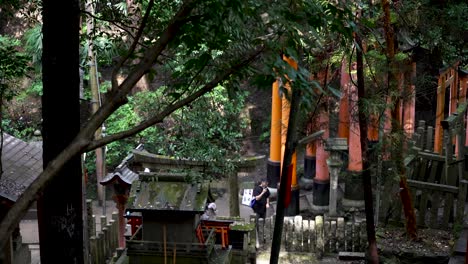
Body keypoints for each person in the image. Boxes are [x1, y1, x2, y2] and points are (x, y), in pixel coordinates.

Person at [252, 178, 270, 247]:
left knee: (263, 222)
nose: (267, 184)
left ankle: (263, 237)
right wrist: (262, 192)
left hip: (264, 209)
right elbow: (257, 198)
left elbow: (268, 196)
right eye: (266, 183)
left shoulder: (266, 189)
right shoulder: (257, 189)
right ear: (262, 182)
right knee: (257, 223)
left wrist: (267, 203)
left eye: (267, 183)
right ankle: (257, 238)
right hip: (257, 209)